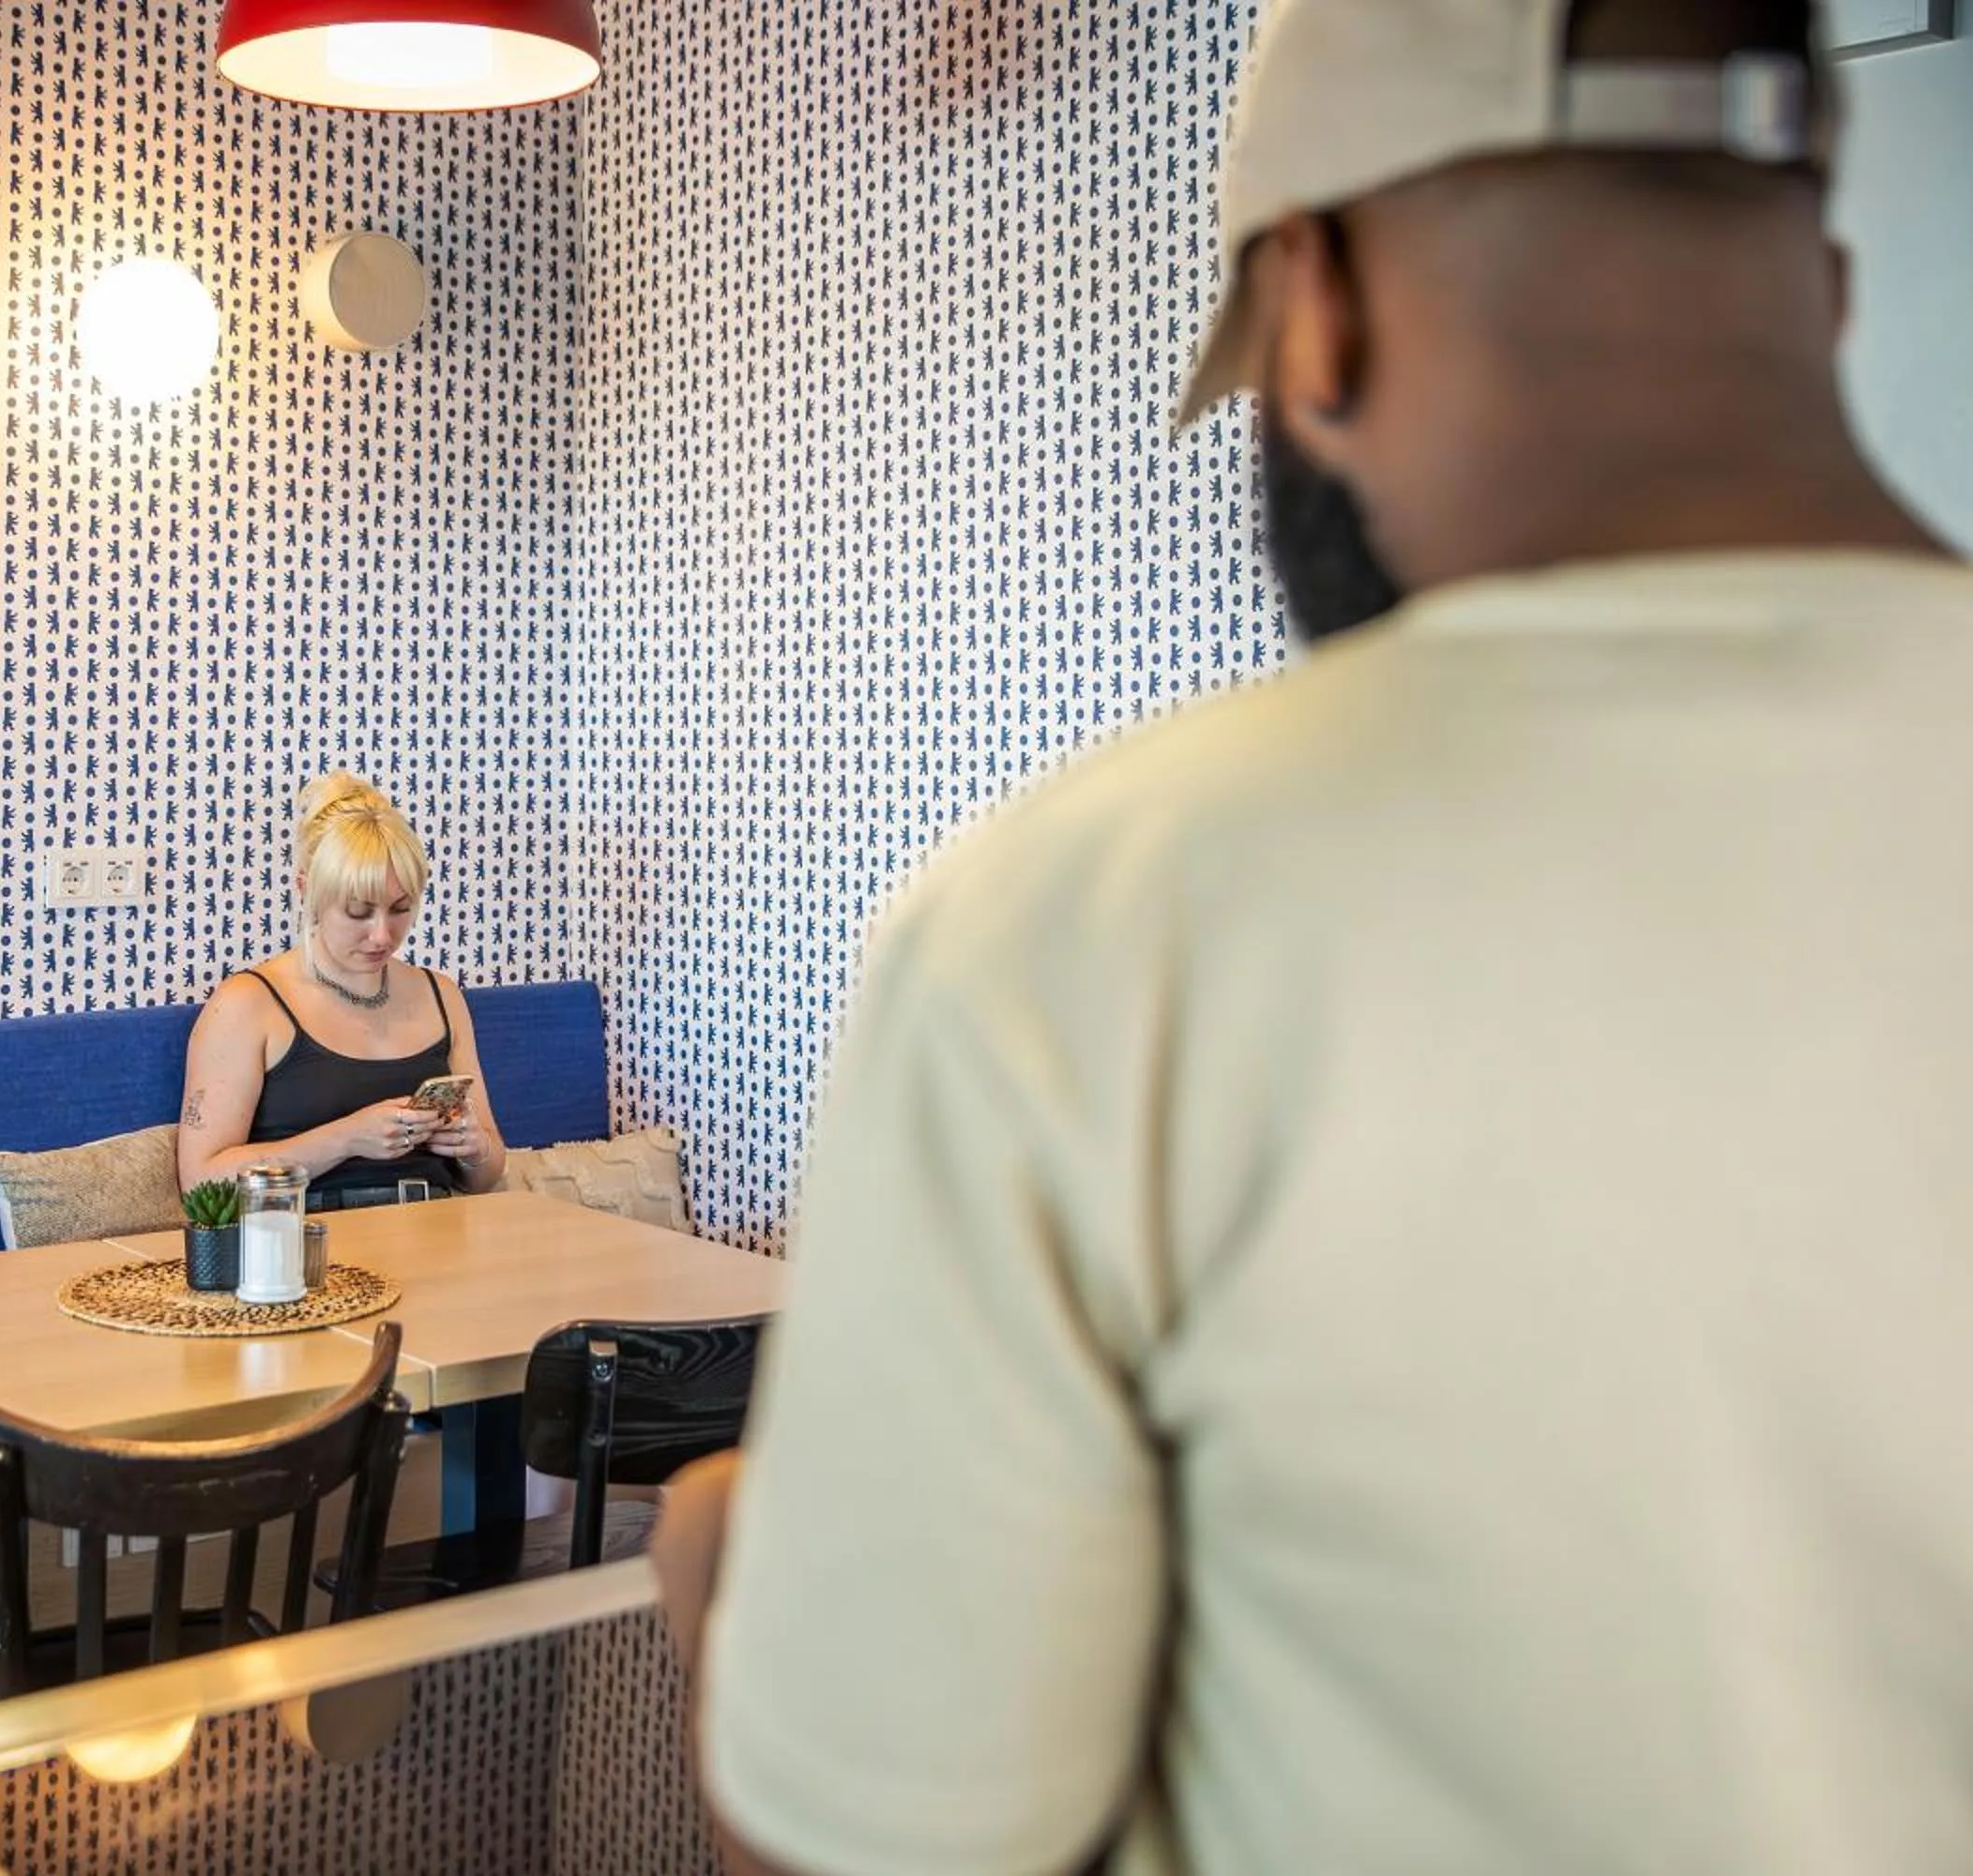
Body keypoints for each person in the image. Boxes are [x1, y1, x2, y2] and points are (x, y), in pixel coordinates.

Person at [657, 2, 1973, 1872]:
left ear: (1319, 306)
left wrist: (731, 1606)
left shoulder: (1090, 923)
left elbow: (870, 1844)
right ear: (1822, 284)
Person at [178, 773, 508, 1207]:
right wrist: (346, 1138)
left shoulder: (442, 996)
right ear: (306, 891)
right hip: (311, 1243)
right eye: (358, 912)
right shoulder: (247, 1005)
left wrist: (474, 1148)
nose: (382, 936)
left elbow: (486, 1176)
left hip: (439, 1231)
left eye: (400, 909)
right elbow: (201, 1185)